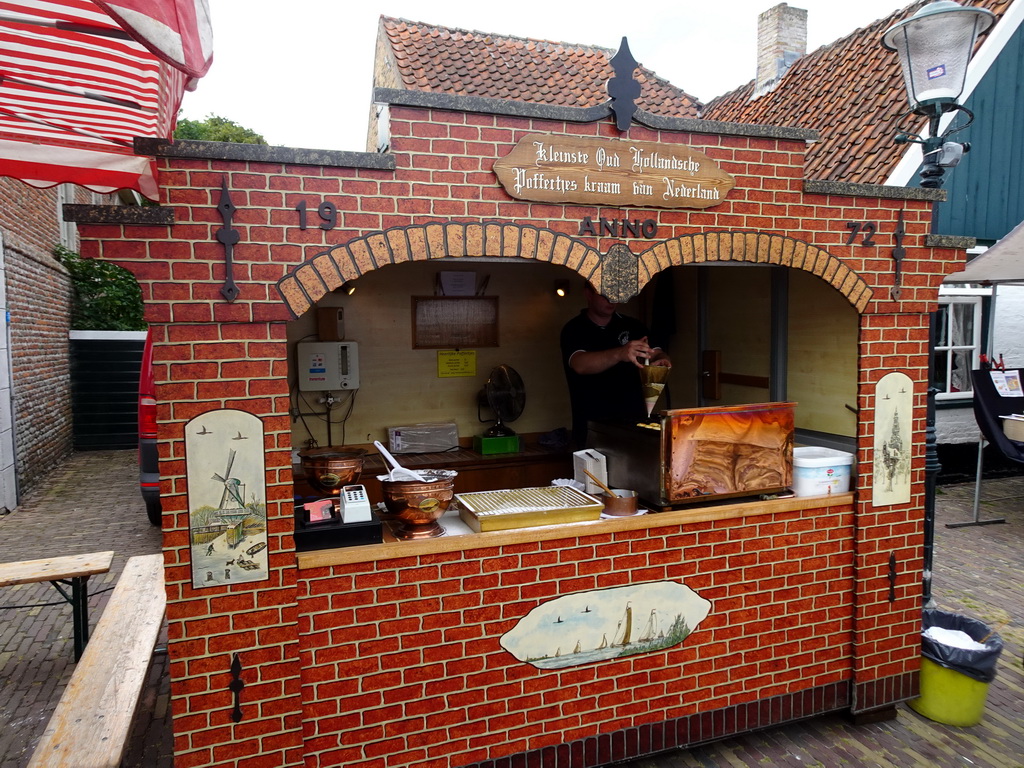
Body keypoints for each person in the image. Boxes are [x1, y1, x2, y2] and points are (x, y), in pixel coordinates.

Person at [560, 283, 671, 448]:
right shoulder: (574, 329)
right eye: (605, 295)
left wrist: (661, 359)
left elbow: (655, 351)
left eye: (616, 294)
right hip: (592, 427)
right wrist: (620, 353)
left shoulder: (633, 326)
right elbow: (579, 364)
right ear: (588, 294)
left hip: (633, 423)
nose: (612, 300)